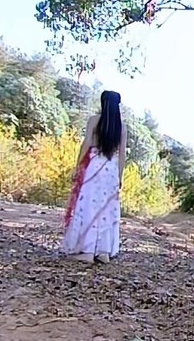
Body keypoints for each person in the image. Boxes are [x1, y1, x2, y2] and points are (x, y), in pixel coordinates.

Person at [62, 90, 127, 264]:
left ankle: (88, 251)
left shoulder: (94, 120)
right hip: (111, 169)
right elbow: (122, 155)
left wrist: (78, 166)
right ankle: (103, 251)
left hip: (94, 166)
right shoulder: (122, 127)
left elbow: (87, 144)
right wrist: (119, 176)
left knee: (89, 207)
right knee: (106, 208)